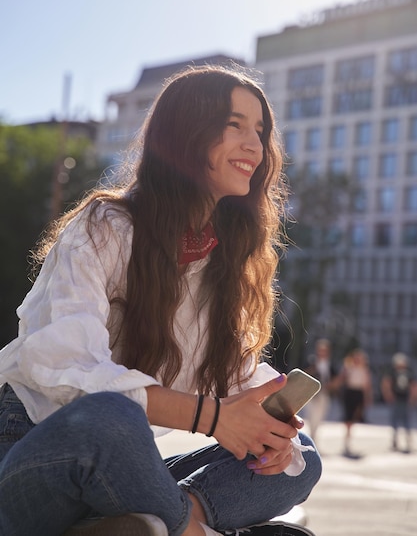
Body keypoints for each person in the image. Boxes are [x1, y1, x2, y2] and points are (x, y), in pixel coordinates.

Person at [0, 65, 321, 536]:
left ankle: (145, 521)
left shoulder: (223, 260)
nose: (255, 146)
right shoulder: (104, 226)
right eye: (234, 125)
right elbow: (63, 367)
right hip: (38, 452)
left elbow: (236, 376)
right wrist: (212, 417)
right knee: (110, 418)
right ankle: (189, 530)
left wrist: (271, 426)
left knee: (301, 458)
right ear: (187, 133)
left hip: (123, 478)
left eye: (260, 130)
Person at [338, 348, 373, 458]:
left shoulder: (364, 370)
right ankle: (346, 441)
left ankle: (349, 437)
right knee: (348, 417)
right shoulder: (348, 368)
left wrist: (367, 398)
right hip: (350, 393)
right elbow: (342, 380)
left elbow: (367, 385)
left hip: (359, 393)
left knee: (356, 417)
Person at [304, 339, 338, 446]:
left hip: (323, 394)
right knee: (310, 416)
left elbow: (334, 380)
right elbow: (304, 374)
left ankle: (314, 436)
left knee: (319, 416)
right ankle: (312, 437)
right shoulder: (311, 362)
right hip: (312, 394)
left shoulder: (331, 365)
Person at [381, 352, 417, 453]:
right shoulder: (393, 372)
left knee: (406, 420)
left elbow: (413, 386)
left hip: (404, 399)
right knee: (395, 420)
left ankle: (407, 440)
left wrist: (413, 397)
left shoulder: (409, 373)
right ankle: (395, 440)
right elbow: (386, 383)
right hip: (397, 398)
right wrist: (388, 395)